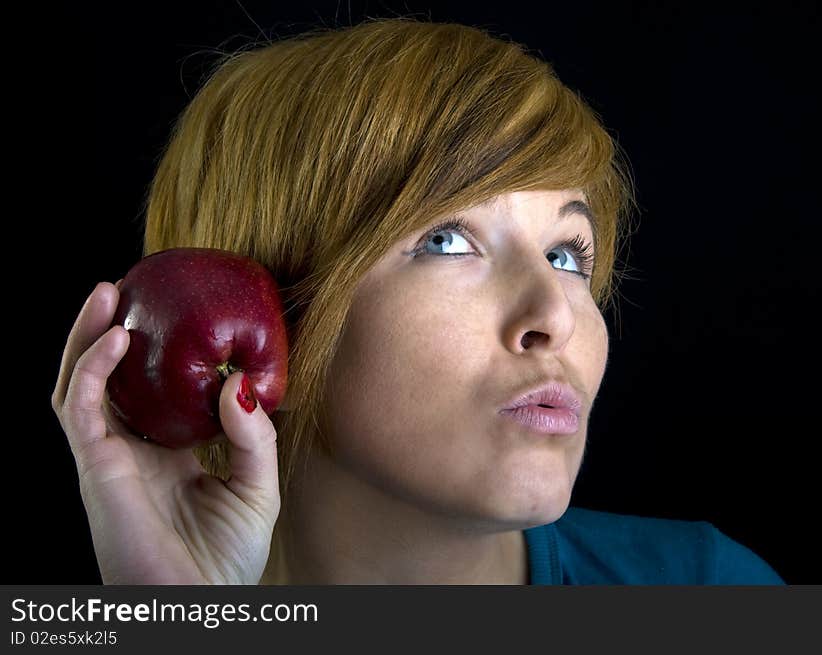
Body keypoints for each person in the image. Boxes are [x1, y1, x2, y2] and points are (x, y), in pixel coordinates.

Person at [51, 17, 784, 585]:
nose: (555, 315)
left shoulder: (711, 587)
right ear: (264, 315)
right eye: (446, 240)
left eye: (566, 255)